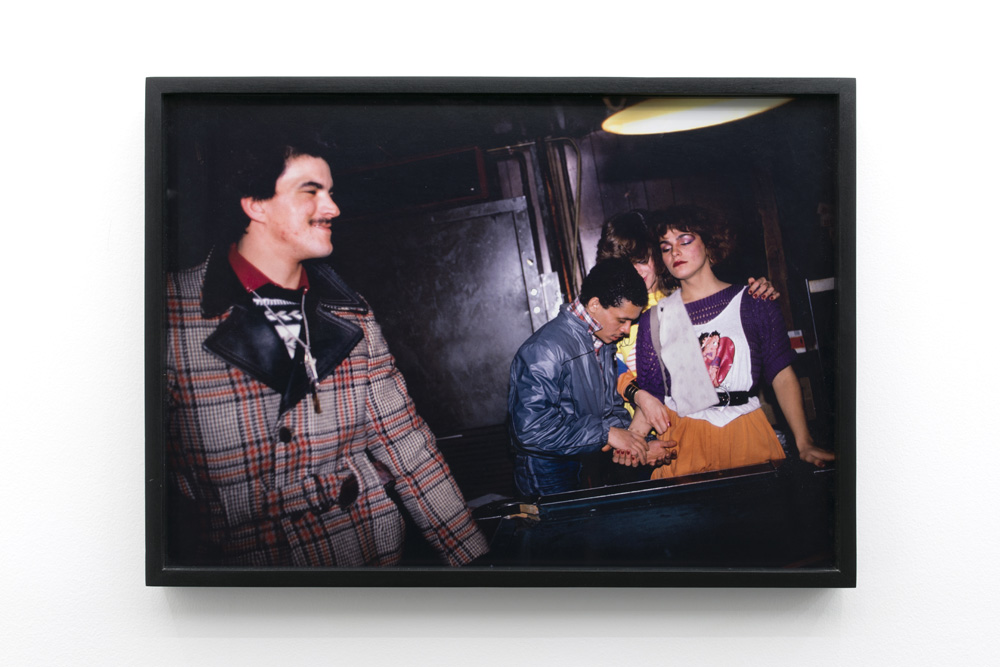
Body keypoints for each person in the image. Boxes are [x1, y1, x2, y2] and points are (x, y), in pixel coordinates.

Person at [164, 135, 488, 567]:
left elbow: (408, 447)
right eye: (311, 191)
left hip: (366, 564)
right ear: (255, 204)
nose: (332, 208)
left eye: (331, 192)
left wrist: (474, 562)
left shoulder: (352, 314)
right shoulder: (169, 312)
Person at [625, 205, 835, 478]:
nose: (675, 252)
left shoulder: (754, 302)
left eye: (685, 241)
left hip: (746, 433)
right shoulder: (654, 319)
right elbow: (652, 397)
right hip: (683, 441)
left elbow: (782, 375)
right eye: (666, 248)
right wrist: (632, 442)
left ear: (709, 243)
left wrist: (804, 442)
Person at [594, 210, 780, 476]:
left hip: (675, 426)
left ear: (657, 258)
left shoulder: (676, 306)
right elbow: (602, 365)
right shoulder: (613, 309)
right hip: (627, 428)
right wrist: (637, 400)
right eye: (626, 264)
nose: (635, 271)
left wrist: (759, 291)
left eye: (642, 260)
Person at [507, 258, 667, 496]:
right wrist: (607, 434)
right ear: (594, 304)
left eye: (631, 322)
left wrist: (640, 444)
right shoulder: (544, 349)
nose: (626, 330)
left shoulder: (601, 338)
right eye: (622, 320)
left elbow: (609, 409)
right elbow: (530, 430)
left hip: (583, 459)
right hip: (545, 470)